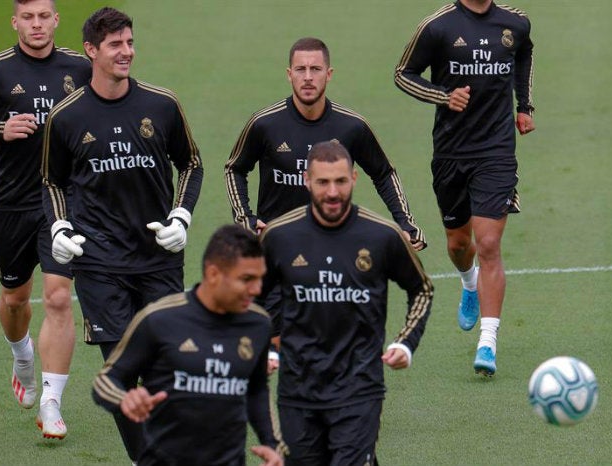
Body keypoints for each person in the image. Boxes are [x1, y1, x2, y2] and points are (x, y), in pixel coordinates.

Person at [41, 7, 203, 462]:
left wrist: (181, 218)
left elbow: (191, 163)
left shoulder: (161, 104)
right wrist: (59, 226)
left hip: (158, 259)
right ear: (92, 51)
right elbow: (51, 181)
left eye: (130, 42)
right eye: (116, 44)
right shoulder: (66, 118)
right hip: (100, 263)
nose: (127, 52)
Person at [0, 0, 91, 439]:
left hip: (62, 205)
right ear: (15, 22)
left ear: (55, 20)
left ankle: (51, 402)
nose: (36, 25)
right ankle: (22, 355)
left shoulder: (82, 68)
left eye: (44, 16)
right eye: (27, 17)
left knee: (59, 298)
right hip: (12, 204)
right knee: (14, 299)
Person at [259, 140, 433, 465]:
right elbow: (256, 297)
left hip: (359, 387)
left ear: (354, 178)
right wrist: (267, 347)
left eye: (340, 181)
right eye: (323, 182)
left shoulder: (382, 235)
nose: (333, 192)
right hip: (298, 390)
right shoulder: (279, 236)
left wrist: (406, 342)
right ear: (306, 181)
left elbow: (421, 289)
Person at [394, 0, 535, 376]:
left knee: (488, 243)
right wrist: (443, 95)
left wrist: (526, 106)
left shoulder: (515, 23)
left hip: (497, 152)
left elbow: (525, 54)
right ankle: (468, 283)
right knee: (459, 244)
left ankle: (487, 342)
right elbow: (403, 74)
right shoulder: (437, 26)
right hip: (451, 153)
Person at [92, 225, 284, 466]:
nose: (257, 290)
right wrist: (123, 399)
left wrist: (272, 444)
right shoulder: (159, 319)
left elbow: (257, 390)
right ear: (213, 274)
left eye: (260, 279)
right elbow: (106, 381)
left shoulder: (258, 324)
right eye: (246, 279)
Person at [225, 37, 425, 248]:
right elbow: (234, 168)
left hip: (335, 243)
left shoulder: (352, 126)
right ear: (289, 74)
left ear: (328, 74)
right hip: (277, 244)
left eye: (316, 69)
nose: (308, 77)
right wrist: (245, 218)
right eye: (301, 69)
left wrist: (406, 223)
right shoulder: (264, 123)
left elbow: (384, 173)